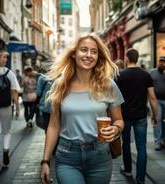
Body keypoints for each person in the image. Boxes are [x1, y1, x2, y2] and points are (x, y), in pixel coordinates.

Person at [40, 33, 124, 184]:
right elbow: (53, 126)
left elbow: (119, 120)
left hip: (100, 156)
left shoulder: (108, 85)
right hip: (67, 156)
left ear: (98, 56)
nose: (89, 55)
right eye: (84, 50)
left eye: (94, 51)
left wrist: (116, 129)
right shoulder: (60, 85)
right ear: (73, 54)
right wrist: (45, 161)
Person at [115, 48, 158, 184]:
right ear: (137, 58)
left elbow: (114, 98)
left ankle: (127, 169)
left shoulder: (120, 75)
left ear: (127, 58)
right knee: (141, 146)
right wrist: (155, 115)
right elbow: (152, 97)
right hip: (141, 116)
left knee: (126, 143)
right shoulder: (145, 75)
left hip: (125, 116)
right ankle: (140, 178)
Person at [150, 56, 165, 150]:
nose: (161, 63)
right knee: (157, 120)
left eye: (163, 62)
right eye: (160, 61)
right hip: (156, 101)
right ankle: (157, 141)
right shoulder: (152, 72)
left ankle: (163, 139)